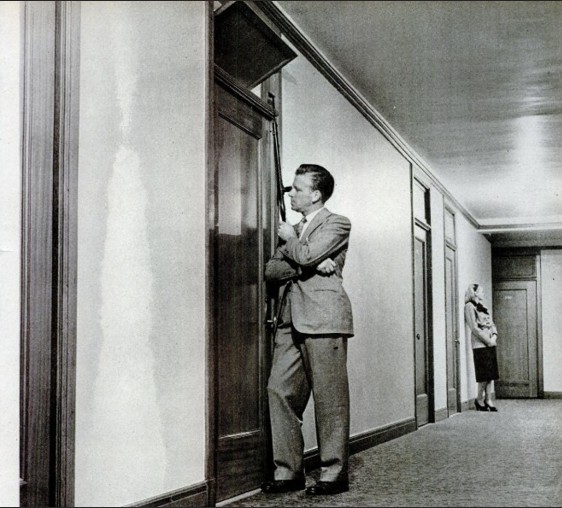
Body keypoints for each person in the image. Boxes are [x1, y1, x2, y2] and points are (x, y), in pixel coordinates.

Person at [261, 164, 354, 496]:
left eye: (297, 189)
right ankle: (288, 471)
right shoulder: (296, 229)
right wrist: (310, 263)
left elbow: (307, 253)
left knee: (330, 399)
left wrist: (299, 247)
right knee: (279, 391)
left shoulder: (337, 223)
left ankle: (334, 473)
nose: (291, 194)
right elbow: (272, 271)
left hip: (325, 319)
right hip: (290, 321)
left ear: (315, 195)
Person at [464, 283, 499, 412]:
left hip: (490, 342)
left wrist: (494, 336)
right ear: (475, 293)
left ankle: (488, 399)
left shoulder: (483, 307)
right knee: (483, 375)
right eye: (481, 291)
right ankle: (479, 399)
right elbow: (474, 328)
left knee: (491, 374)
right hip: (480, 344)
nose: (483, 293)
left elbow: (492, 324)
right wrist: (488, 341)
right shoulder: (469, 306)